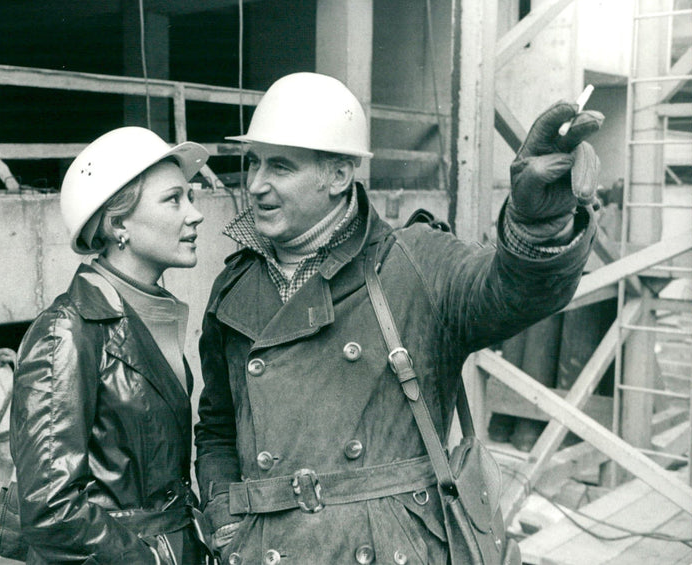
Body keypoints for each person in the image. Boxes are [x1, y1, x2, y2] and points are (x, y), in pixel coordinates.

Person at [194, 72, 602, 563]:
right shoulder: (235, 286)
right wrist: (222, 511)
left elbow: (514, 291)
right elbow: (217, 422)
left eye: (280, 166)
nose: (256, 185)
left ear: (339, 176)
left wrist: (537, 225)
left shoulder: (416, 262)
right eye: (253, 162)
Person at [10, 127, 210, 564]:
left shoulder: (149, 313)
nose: (195, 215)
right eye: (174, 200)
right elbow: (49, 508)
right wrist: (147, 558)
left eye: (190, 198)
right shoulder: (67, 331)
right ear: (119, 224)